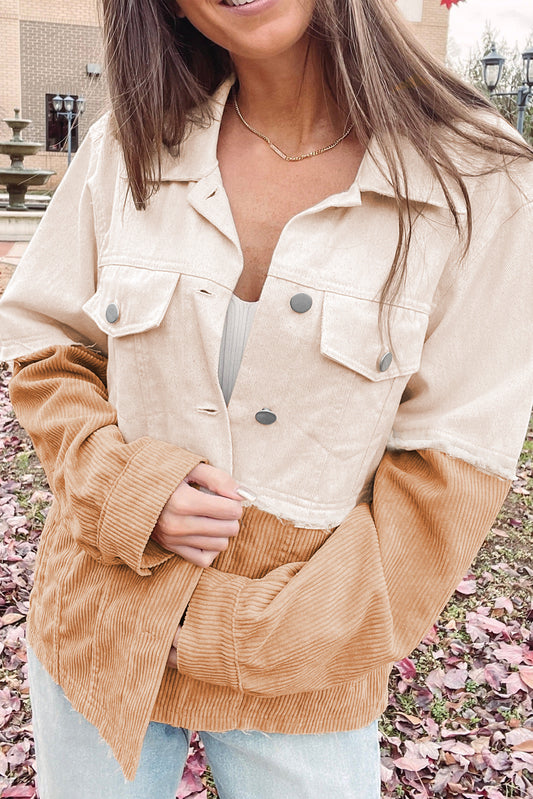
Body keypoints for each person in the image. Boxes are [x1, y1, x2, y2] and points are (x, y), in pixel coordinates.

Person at [1, 0, 532, 796]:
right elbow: (45, 345)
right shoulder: (131, 144)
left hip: (305, 675)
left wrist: (245, 634)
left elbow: (453, 466)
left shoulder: (478, 176)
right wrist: (122, 484)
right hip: (99, 626)